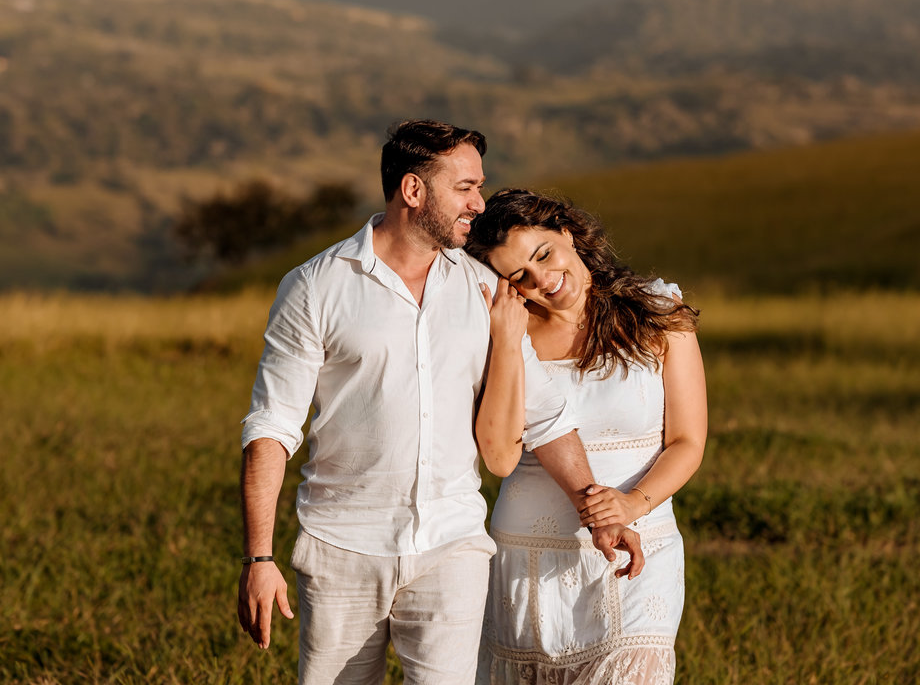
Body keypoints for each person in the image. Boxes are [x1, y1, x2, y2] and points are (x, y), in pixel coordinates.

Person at [235, 121, 644, 685]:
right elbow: (272, 426)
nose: (479, 203)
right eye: (465, 187)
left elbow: (544, 415)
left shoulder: (483, 288)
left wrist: (595, 513)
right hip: (342, 548)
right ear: (413, 191)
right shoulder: (314, 287)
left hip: (453, 547)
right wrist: (259, 559)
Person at [466, 188, 708, 684]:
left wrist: (631, 504)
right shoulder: (501, 332)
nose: (543, 280)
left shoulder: (658, 311)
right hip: (529, 560)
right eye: (520, 277)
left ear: (568, 233)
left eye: (544, 255)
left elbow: (688, 440)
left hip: (640, 551)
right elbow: (499, 454)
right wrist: (507, 341)